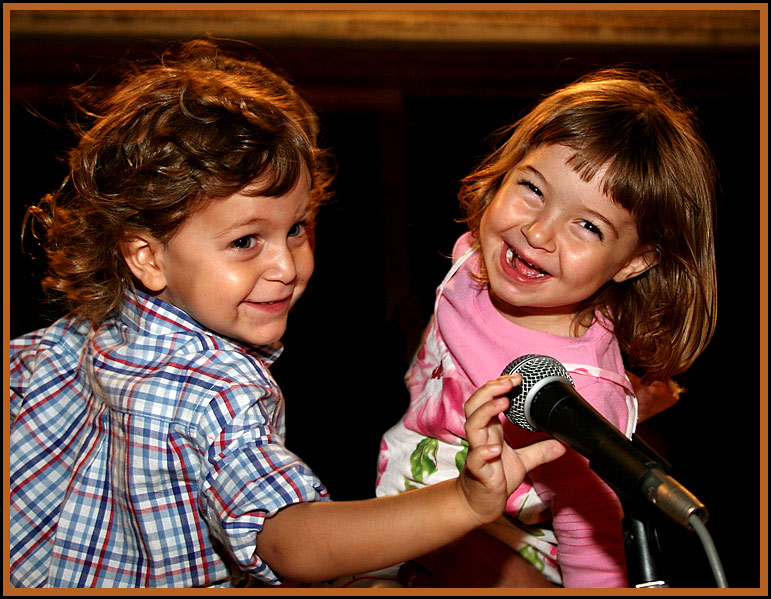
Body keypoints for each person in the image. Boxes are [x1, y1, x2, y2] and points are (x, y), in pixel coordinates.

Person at [8, 39, 567, 588]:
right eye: (247, 241)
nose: (286, 265)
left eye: (296, 228)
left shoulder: (87, 334)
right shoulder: (217, 390)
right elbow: (285, 540)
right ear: (147, 256)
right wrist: (464, 500)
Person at [376, 67, 718, 588]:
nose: (537, 232)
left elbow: (591, 531)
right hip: (404, 511)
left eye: (587, 225)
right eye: (532, 188)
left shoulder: (580, 395)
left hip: (503, 549)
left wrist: (619, 403)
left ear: (634, 262)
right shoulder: (478, 259)